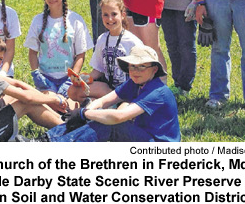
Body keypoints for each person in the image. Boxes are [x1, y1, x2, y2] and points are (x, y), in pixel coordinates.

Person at [47, 43, 180, 143]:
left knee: (112, 125)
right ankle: (46, 140)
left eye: (142, 66)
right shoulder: (135, 82)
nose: (135, 71)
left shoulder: (157, 92)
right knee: (97, 117)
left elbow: (119, 116)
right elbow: (104, 101)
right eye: (132, 66)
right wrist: (85, 113)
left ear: (154, 69)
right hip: (144, 135)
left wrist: (84, 113)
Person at [25, 0, 92, 96]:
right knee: (52, 104)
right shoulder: (37, 20)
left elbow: (80, 54)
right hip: (46, 78)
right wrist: (36, 73)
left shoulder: (76, 20)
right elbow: (32, 52)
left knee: (67, 107)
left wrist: (72, 79)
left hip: (68, 79)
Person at [86, 0, 142, 99]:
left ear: (123, 15)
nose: (110, 19)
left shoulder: (133, 42)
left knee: (117, 111)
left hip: (128, 90)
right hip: (108, 88)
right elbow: (98, 69)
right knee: (74, 91)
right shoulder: (102, 39)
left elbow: (142, 73)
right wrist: (84, 79)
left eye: (114, 14)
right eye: (105, 15)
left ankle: (110, 106)